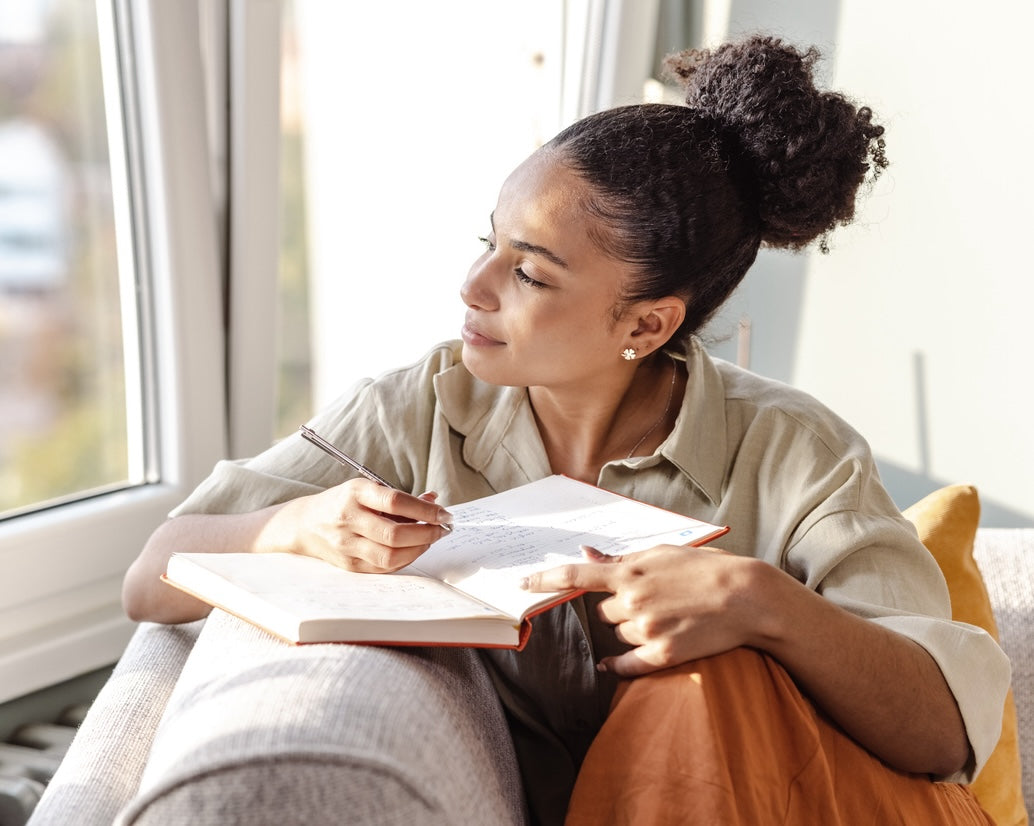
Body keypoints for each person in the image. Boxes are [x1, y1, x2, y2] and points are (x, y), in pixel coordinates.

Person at [122, 35, 1009, 825]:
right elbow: (150, 576)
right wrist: (289, 529)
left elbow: (941, 730)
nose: (475, 286)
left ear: (646, 326)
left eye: (531, 274)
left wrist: (763, 606)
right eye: (489, 241)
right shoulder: (419, 408)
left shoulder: (792, 451)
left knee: (711, 679)